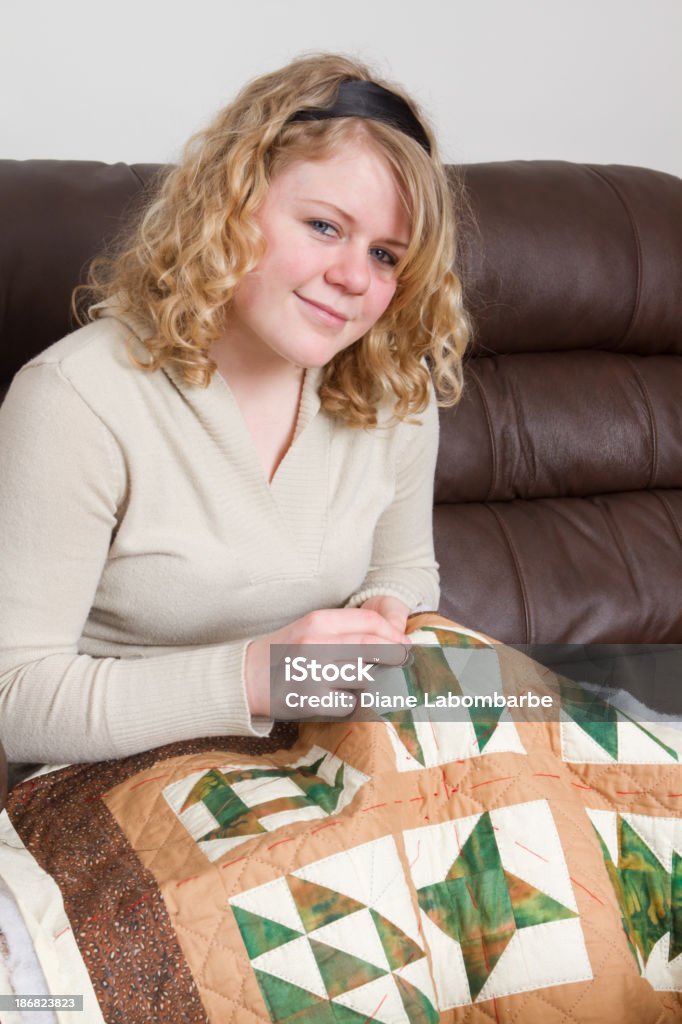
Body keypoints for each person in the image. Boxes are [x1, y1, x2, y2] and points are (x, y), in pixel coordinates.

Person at [0, 53, 470, 765]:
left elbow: (404, 570)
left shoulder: (395, 391)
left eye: (384, 255)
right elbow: (16, 698)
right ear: (230, 203)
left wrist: (383, 614)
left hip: (332, 742)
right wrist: (257, 675)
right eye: (322, 226)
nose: (351, 277)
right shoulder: (76, 399)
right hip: (119, 776)